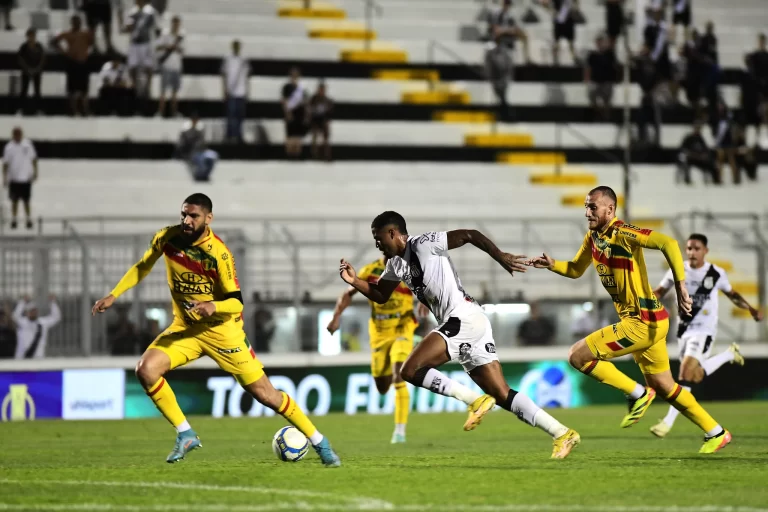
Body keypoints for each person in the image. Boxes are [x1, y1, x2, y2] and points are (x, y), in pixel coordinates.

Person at [92, 193, 340, 466]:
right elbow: (143, 266)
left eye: (193, 216)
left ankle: (320, 442)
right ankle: (185, 433)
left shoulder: (218, 254)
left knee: (266, 395)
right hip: (186, 329)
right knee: (146, 369)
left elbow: (237, 302)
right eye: (184, 214)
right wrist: (114, 295)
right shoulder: (166, 238)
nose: (187, 220)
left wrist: (214, 306)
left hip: (223, 332)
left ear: (208, 218)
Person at [338, 212, 580, 459]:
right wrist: (355, 280)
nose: (377, 244)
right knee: (501, 394)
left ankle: (473, 401)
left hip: (462, 318)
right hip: (470, 322)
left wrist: (501, 256)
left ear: (392, 233)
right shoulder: (396, 264)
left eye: (378, 238)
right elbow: (380, 294)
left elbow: (469, 235)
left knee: (409, 370)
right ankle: (561, 432)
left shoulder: (423, 244)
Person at [526, 186, 732, 454]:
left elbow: (668, 243)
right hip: (653, 321)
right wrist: (553, 264)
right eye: (586, 206)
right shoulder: (593, 237)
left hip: (641, 322)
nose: (587, 212)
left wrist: (680, 285)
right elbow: (576, 269)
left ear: (610, 210)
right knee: (665, 386)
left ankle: (637, 393)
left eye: (593, 207)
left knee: (578, 356)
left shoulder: (622, 233)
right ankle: (716, 432)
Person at [649, 233, 762, 438]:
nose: (692, 252)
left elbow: (732, 294)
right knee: (693, 376)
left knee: (684, 374)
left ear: (705, 251)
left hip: (703, 330)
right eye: (689, 248)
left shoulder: (714, 274)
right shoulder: (678, 269)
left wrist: (751, 309)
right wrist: (644, 301)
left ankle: (667, 423)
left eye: (696, 248)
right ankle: (728, 355)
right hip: (683, 331)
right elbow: (660, 291)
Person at [327, 256, 421, 444]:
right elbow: (348, 294)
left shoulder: (409, 268)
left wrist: (426, 302)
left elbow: (430, 287)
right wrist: (336, 316)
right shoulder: (369, 271)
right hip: (379, 333)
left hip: (403, 327)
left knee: (399, 376)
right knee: (382, 386)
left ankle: (399, 432)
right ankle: (413, 343)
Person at [52, 15, 93, 117]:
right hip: (72, 63)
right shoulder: (67, 34)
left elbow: (91, 43)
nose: (76, 24)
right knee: (72, 89)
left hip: (83, 62)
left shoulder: (85, 34)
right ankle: (72, 110)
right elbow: (54, 41)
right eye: (74, 22)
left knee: (84, 89)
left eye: (78, 21)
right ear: (72, 23)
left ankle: (85, 110)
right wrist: (64, 52)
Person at [121, 0, 159, 109]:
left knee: (148, 67)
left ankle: (148, 88)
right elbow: (126, 28)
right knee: (132, 67)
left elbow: (155, 28)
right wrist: (128, 27)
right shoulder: (132, 13)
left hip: (145, 43)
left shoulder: (150, 12)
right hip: (134, 44)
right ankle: (134, 88)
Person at [2, 126, 38, 230]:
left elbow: (33, 159)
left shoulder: (28, 145)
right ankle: (14, 220)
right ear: (13, 135)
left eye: (19, 134)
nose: (17, 136)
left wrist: (35, 172)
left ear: (22, 134)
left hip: (26, 178)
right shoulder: (9, 147)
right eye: (15, 134)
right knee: (14, 201)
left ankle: (28, 220)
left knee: (26, 201)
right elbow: (5, 163)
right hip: (14, 179)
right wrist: (4, 177)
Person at [175, 113, 218, 182]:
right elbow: (182, 143)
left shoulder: (200, 128)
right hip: (191, 153)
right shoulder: (185, 129)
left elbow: (203, 143)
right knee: (201, 161)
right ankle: (198, 176)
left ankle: (205, 176)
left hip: (201, 151)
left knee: (213, 156)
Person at [221, 39, 250, 144]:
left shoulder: (244, 59)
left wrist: (247, 91)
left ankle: (239, 136)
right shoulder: (227, 58)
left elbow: (246, 77)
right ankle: (229, 135)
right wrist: (224, 90)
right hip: (231, 91)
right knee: (230, 115)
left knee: (240, 116)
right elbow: (224, 75)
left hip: (241, 91)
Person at [156, 15, 184, 118]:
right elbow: (157, 47)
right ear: (171, 23)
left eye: (177, 23)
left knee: (175, 92)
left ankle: (174, 113)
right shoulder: (165, 34)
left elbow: (183, 51)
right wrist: (168, 46)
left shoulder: (181, 36)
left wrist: (176, 48)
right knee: (163, 91)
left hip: (177, 67)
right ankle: (160, 112)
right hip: (166, 66)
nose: (176, 25)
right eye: (174, 23)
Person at [17, 28, 46, 116]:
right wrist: (27, 69)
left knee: (37, 91)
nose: (31, 37)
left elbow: (43, 58)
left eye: (33, 35)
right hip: (26, 71)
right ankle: (21, 109)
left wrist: (37, 69)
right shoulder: (23, 46)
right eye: (29, 35)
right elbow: (20, 59)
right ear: (27, 36)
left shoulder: (39, 46)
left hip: (37, 71)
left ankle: (39, 109)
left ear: (35, 36)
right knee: (24, 90)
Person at [282, 66, 307, 158]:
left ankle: (297, 155)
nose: (295, 76)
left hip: (299, 113)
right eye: (293, 74)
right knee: (290, 136)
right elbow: (284, 101)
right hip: (290, 113)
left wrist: (306, 115)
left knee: (297, 137)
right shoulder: (287, 87)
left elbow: (305, 101)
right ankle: (289, 155)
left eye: (296, 74)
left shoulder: (302, 88)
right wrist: (287, 113)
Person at [308, 81, 333, 161]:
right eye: (320, 90)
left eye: (323, 90)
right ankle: (314, 154)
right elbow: (309, 109)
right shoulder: (313, 99)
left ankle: (326, 154)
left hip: (323, 120)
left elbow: (330, 112)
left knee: (326, 136)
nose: (322, 91)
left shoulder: (327, 100)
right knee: (314, 135)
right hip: (315, 120)